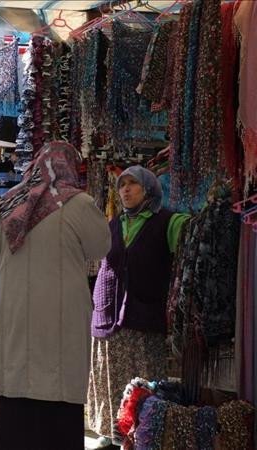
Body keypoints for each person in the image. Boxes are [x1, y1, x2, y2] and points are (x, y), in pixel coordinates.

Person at [0, 141, 111, 449]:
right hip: (60, 316)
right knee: (58, 389)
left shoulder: (9, 203)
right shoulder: (79, 203)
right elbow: (101, 247)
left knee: (16, 390)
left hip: (13, 312)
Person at [86, 165, 190, 449]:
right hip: (108, 312)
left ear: (149, 189)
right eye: (122, 185)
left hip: (144, 312)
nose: (125, 190)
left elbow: (190, 231)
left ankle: (145, 432)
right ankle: (110, 431)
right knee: (109, 372)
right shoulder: (115, 223)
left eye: (133, 184)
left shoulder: (166, 221)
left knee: (144, 375)